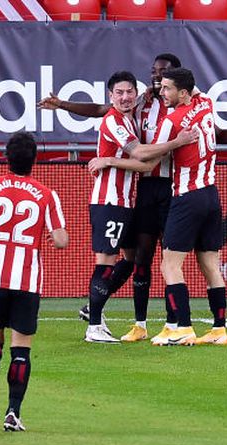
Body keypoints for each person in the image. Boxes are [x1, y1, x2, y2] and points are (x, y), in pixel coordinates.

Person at [40, 54, 227, 341]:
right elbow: (101, 110)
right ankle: (140, 324)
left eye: (163, 73)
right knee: (141, 257)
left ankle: (174, 324)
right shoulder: (141, 100)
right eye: (154, 72)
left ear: (176, 81)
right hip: (144, 188)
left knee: (171, 257)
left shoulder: (184, 106)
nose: (156, 77)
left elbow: (211, 134)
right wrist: (62, 104)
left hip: (172, 188)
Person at [0, 131, 69, 431]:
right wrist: (52, 237)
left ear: (6, 157)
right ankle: (13, 413)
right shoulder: (46, 194)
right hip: (27, 280)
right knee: (21, 350)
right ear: (34, 160)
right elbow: (61, 240)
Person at [81, 70, 155, 343]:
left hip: (126, 202)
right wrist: (177, 142)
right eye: (119, 93)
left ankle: (93, 309)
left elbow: (142, 163)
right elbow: (142, 159)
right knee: (105, 262)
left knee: (131, 259)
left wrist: (110, 160)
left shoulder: (129, 117)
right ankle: (94, 326)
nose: (125, 97)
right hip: (110, 201)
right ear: (110, 97)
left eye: (129, 92)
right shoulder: (113, 121)